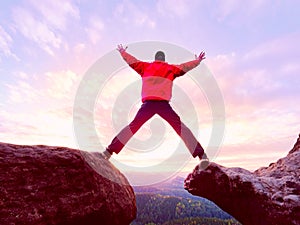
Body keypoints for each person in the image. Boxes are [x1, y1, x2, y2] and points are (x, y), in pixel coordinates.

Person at [102, 44, 208, 164]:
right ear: (163, 59)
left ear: (155, 58)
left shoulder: (145, 67)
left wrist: (122, 52)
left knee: (133, 127)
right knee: (181, 128)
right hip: (163, 105)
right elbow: (185, 66)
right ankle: (202, 155)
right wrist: (197, 61)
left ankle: (108, 152)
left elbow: (132, 61)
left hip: (148, 104)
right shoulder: (170, 69)